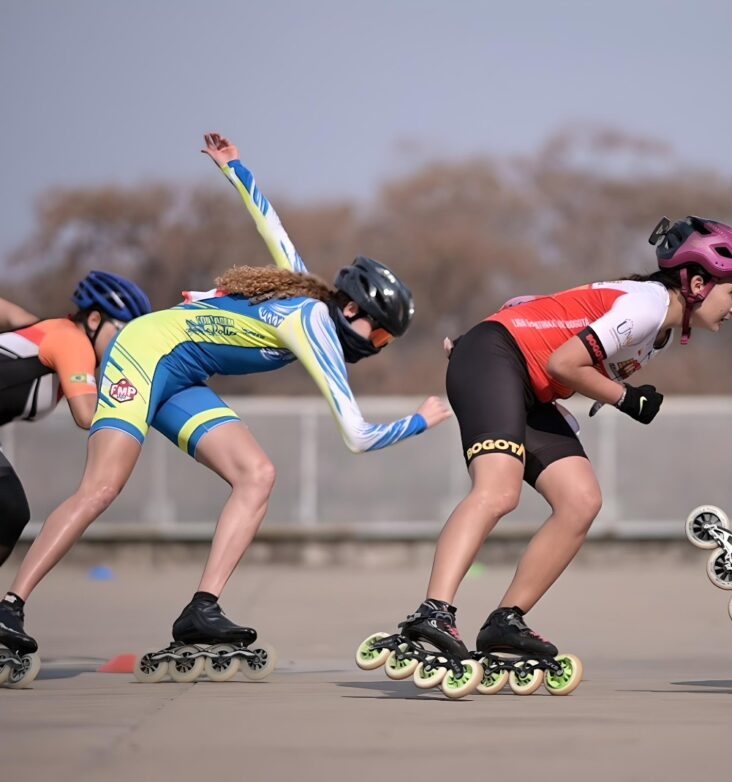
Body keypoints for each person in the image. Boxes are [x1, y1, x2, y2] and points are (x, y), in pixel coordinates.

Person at [0, 133, 450, 682]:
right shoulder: (319, 329)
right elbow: (355, 436)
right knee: (101, 488)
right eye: (378, 335)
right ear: (351, 308)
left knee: (256, 474)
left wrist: (236, 170)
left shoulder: (308, 289)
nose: (376, 347)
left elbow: (272, 226)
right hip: (147, 349)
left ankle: (201, 611)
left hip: (183, 372)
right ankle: (10, 607)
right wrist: (420, 421)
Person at [364, 214, 732, 695]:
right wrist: (626, 397)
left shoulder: (657, 328)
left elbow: (533, 309)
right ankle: (435, 611)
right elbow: (563, 362)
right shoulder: (647, 307)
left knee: (581, 501)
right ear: (697, 283)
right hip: (497, 361)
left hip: (528, 384)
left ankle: (505, 621)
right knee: (498, 491)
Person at [0, 272, 152, 567]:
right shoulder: (72, 341)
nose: (128, 345)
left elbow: (8, 312)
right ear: (94, 321)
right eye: (123, 333)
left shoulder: (44, 330)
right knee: (9, 508)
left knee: (9, 510)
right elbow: (86, 415)